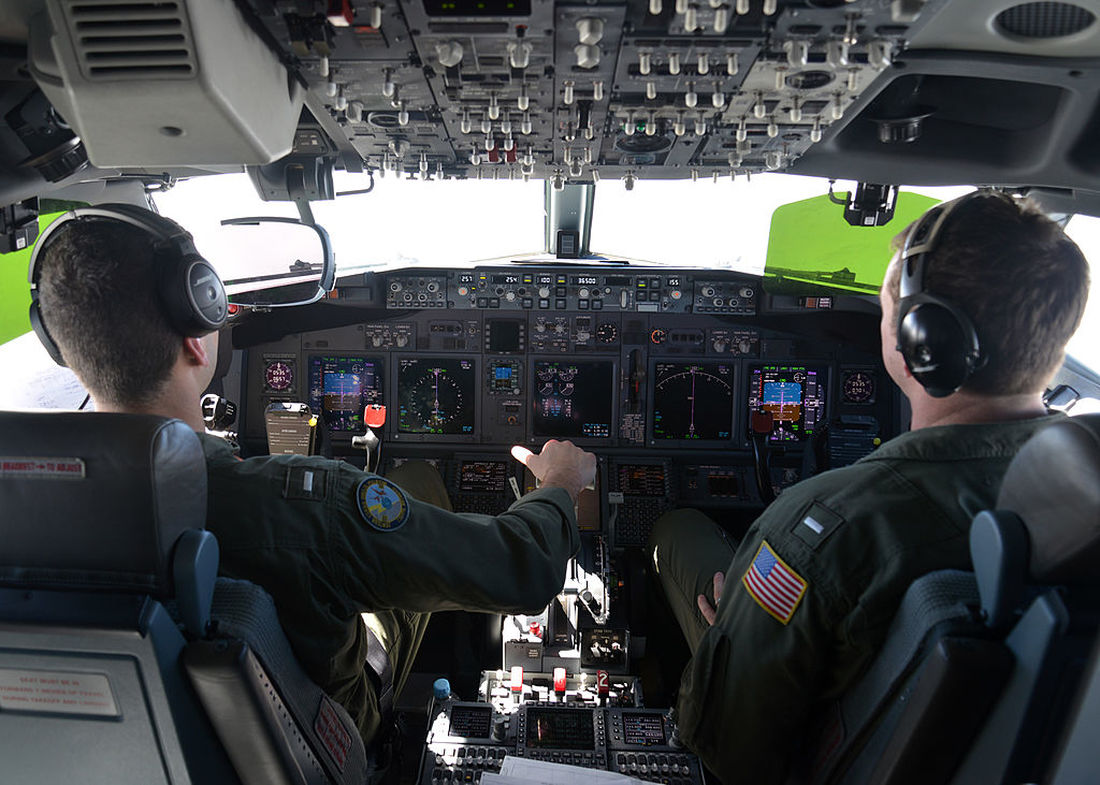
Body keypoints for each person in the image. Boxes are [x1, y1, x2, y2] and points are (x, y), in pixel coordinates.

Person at [30, 207, 597, 749]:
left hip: (149, 745)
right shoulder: (309, 504)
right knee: (421, 481)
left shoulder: (24, 506)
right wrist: (559, 485)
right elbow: (519, 570)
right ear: (196, 336)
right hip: (322, 730)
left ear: (62, 348)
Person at [648, 191, 1090, 784]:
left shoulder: (821, 527)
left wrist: (733, 631)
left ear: (921, 339)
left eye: (886, 304)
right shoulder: (1086, 495)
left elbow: (730, 749)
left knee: (675, 527)